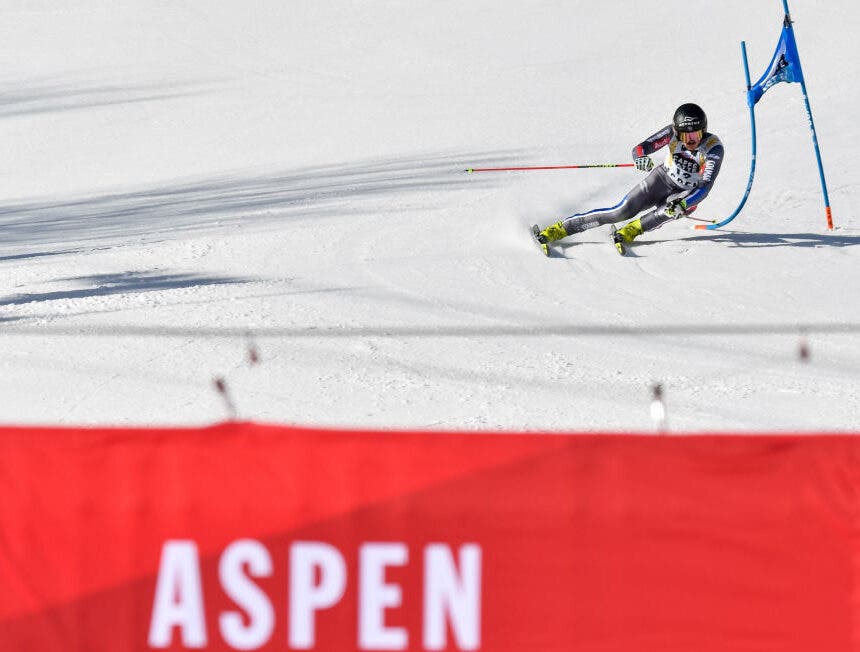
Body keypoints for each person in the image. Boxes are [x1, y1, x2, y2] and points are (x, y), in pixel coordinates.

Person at [533, 103, 724, 255]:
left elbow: (706, 186)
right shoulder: (671, 133)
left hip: (687, 193)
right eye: (685, 134)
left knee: (668, 210)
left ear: (704, 130)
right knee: (620, 211)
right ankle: (557, 230)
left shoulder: (713, 148)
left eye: (696, 134)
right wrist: (640, 158)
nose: (691, 140)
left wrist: (685, 203)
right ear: (677, 131)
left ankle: (629, 232)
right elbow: (641, 148)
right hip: (661, 180)